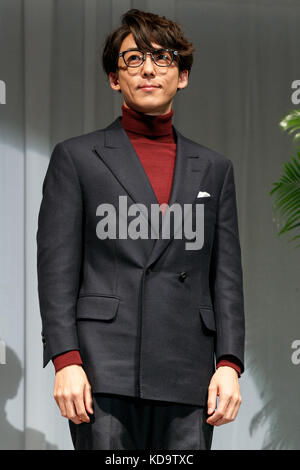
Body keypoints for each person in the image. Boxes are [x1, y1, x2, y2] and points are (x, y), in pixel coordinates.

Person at [36, 8, 245, 450]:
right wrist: (65, 360)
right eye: (133, 59)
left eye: (162, 58)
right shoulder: (77, 158)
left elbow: (226, 278)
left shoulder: (214, 169)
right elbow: (56, 271)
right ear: (115, 78)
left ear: (182, 75)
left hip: (188, 368)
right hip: (102, 368)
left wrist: (228, 363)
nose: (148, 69)